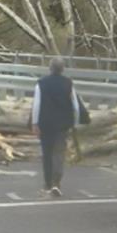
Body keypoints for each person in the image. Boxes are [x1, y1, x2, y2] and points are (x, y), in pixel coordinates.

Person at [31, 58, 81, 197]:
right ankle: (56, 183)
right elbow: (75, 106)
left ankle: (47, 184)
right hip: (62, 124)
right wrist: (74, 124)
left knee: (47, 154)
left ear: (50, 68)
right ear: (62, 69)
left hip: (46, 124)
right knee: (59, 153)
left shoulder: (41, 83)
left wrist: (35, 123)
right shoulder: (68, 84)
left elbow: (37, 104)